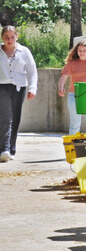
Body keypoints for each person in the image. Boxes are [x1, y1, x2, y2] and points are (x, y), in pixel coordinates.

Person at [0, 26, 37, 162]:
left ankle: (11, 149)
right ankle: (4, 149)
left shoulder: (24, 51)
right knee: (5, 118)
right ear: (2, 37)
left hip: (19, 88)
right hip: (2, 87)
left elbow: (32, 71)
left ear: (17, 36)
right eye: (6, 37)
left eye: (12, 37)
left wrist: (33, 88)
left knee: (15, 118)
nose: (9, 40)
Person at [57, 38, 86, 136]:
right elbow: (63, 77)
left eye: (84, 51)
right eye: (79, 51)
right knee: (75, 124)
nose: (81, 53)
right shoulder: (71, 63)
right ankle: (72, 147)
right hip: (74, 95)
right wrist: (61, 87)